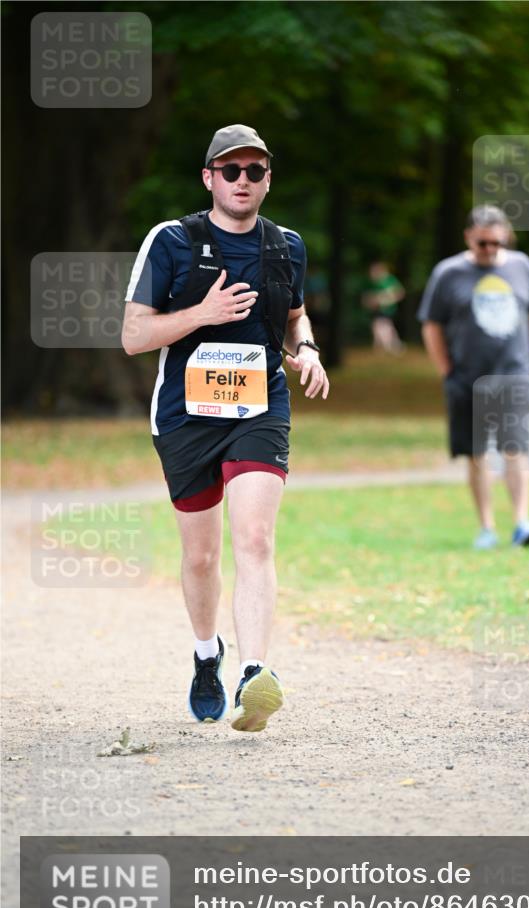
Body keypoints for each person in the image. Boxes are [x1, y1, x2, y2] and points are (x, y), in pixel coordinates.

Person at [122, 124, 329, 731]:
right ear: (209, 177)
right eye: (230, 170)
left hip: (260, 406)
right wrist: (202, 315)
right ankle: (207, 655)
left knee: (256, 540)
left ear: (268, 180)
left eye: (255, 171)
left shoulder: (285, 245)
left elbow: (295, 316)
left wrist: (308, 348)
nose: (243, 181)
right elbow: (134, 336)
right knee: (203, 556)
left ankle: (253, 674)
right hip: (186, 415)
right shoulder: (170, 242)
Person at [418, 204, 529, 550]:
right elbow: (431, 324)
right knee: (476, 453)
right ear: (468, 238)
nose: (489, 250)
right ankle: (487, 527)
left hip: (514, 373)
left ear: (505, 237)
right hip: (467, 378)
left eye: (495, 243)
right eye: (482, 244)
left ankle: (522, 522)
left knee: (515, 448)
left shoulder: (522, 267)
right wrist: (446, 369)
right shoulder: (448, 273)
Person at [362, 261, 405, 354]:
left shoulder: (390, 280)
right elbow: (368, 297)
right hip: (379, 309)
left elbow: (400, 293)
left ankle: (389, 346)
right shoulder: (374, 283)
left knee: (382, 326)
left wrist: (386, 299)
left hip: (388, 309)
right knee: (382, 326)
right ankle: (387, 346)